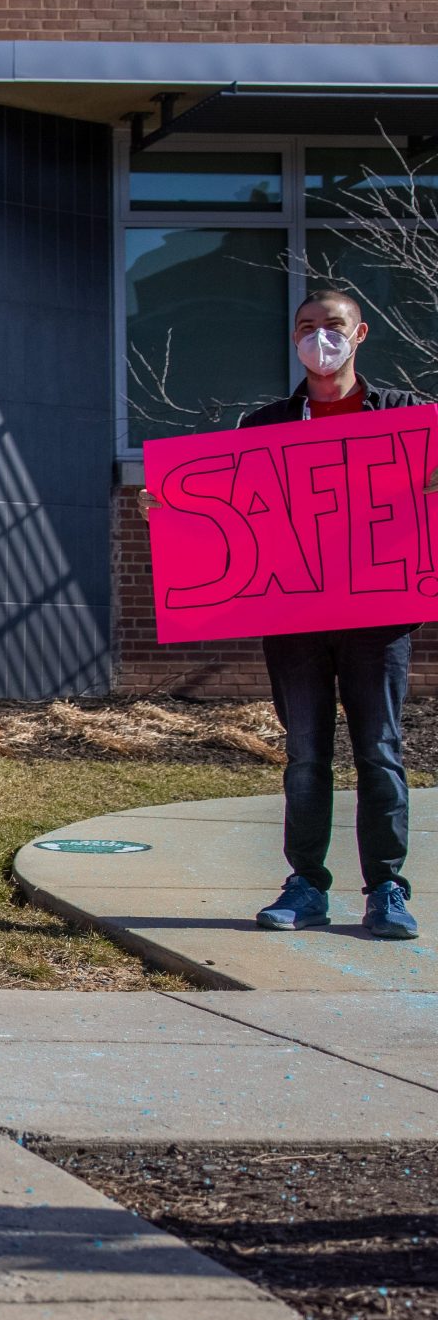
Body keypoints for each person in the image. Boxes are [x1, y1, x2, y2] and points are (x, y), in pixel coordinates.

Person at [233, 290, 421, 939]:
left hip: (380, 616)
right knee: (306, 755)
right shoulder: (264, 426)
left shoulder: (406, 420)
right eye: (307, 328)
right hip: (295, 619)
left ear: (360, 332)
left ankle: (387, 890)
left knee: (379, 753)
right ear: (294, 340)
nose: (321, 338)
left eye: (332, 326)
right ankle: (306, 885)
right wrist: (170, 511)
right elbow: (235, 514)